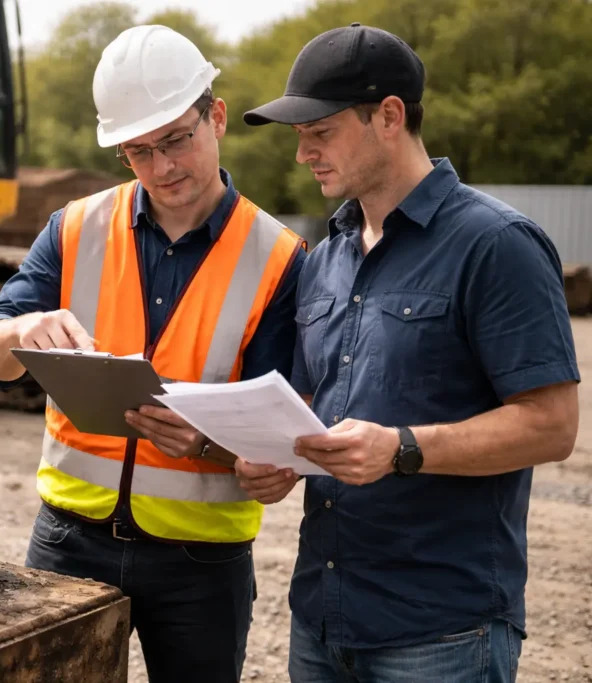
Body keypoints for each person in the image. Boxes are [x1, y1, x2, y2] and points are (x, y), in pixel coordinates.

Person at [0, 24, 307, 683]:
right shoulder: (74, 228)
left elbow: (282, 434)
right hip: (68, 540)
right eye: (138, 150)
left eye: (176, 138)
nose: (162, 167)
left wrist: (208, 445)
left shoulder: (280, 259)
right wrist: (20, 331)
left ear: (218, 118)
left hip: (202, 562)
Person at [238, 22, 581, 683]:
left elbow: (552, 425)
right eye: (298, 137)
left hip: (442, 633)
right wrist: (283, 459)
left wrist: (403, 448)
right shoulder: (325, 259)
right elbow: (316, 404)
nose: (304, 153)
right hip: (321, 621)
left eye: (321, 131)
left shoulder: (497, 245)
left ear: (389, 115)